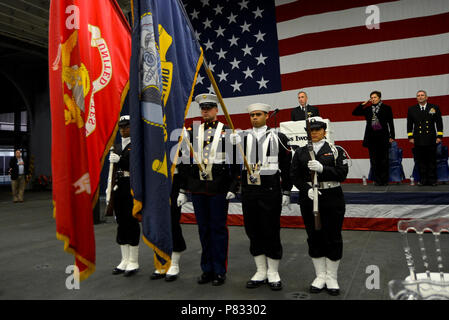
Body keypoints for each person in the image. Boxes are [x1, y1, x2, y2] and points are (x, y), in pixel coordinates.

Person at [177, 93, 239, 286]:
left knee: (218, 230)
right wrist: (183, 188)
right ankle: (207, 269)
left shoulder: (227, 131)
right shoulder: (192, 132)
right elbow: (185, 163)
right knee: (203, 230)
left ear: (216, 110)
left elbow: (235, 163)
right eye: (203, 108)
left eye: (209, 107)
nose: (205, 111)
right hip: (198, 188)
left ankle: (219, 270)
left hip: (219, 188)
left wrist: (233, 186)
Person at [234, 103, 292, 291]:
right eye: (251, 115)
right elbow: (233, 165)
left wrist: (287, 191)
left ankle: (273, 272)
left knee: (271, 230)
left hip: (270, 191)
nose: (254, 118)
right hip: (250, 192)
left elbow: (287, 167)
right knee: (253, 230)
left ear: (267, 116)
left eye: (258, 114)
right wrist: (231, 144)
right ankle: (260, 270)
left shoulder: (279, 137)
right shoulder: (241, 138)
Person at [290, 117, 349, 296]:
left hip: (332, 197)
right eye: (311, 130)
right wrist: (306, 189)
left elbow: (342, 173)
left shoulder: (335, 150)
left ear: (324, 131)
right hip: (309, 197)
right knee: (314, 236)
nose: (314, 132)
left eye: (317, 129)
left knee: (333, 236)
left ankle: (331, 277)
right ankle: (320, 275)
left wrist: (323, 168)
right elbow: (294, 176)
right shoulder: (300, 152)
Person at [108, 115, 141, 277]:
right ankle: (124, 259)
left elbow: (135, 165)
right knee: (120, 221)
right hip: (119, 185)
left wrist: (119, 160)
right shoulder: (117, 146)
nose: (123, 129)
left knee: (131, 221)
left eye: (126, 126)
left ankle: (133, 261)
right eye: (121, 127)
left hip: (131, 186)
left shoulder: (138, 145)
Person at [150, 168, 187, 282]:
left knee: (173, 223)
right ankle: (162, 261)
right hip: (156, 180)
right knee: (157, 224)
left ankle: (174, 263)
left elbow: (184, 164)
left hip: (173, 181)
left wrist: (182, 190)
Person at [352, 91, 395, 186]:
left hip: (383, 137)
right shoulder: (367, 109)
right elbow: (355, 113)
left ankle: (384, 180)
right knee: (374, 160)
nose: (373, 99)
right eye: (371, 97)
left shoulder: (386, 108)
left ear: (379, 98)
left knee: (384, 160)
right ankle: (377, 180)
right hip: (371, 138)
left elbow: (390, 123)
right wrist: (362, 104)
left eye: (375, 97)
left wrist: (392, 136)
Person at [407, 90, 444, 186]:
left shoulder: (434, 107)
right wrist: (410, 136)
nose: (420, 97)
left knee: (431, 160)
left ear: (426, 97)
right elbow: (409, 124)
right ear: (416, 98)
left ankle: (432, 180)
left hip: (431, 138)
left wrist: (439, 135)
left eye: (422, 95)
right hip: (418, 138)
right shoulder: (412, 109)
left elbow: (439, 122)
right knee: (420, 161)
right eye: (418, 95)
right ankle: (423, 180)